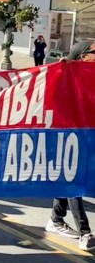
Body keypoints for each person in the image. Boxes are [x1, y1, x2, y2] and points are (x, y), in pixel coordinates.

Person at [45, 40, 95, 250]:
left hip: (87, 136)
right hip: (69, 137)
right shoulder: (69, 76)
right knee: (75, 181)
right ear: (84, 56)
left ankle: (55, 219)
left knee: (69, 180)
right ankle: (85, 232)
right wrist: (63, 70)